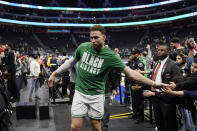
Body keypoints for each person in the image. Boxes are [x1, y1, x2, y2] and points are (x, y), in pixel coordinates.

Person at [48, 25, 167, 131]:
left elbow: (131, 73)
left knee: (96, 125)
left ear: (104, 37)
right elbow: (70, 62)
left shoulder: (111, 56)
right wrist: (55, 74)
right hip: (80, 92)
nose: (93, 41)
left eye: (96, 37)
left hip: (97, 95)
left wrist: (154, 83)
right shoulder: (83, 47)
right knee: (74, 127)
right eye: (91, 38)